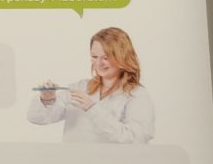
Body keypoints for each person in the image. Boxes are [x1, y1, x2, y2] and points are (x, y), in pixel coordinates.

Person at [26, 26, 156, 144]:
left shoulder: (137, 96)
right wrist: (47, 99)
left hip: (112, 162)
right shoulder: (79, 88)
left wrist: (92, 108)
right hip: (74, 162)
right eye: (94, 56)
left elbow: (135, 139)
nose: (98, 63)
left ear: (122, 57)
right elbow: (36, 118)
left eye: (106, 57)